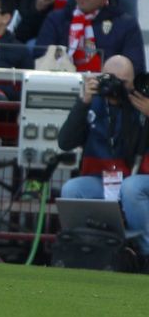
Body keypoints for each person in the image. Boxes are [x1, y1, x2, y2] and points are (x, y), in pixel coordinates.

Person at [56, 55, 149, 256]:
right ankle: (82, 250)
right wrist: (83, 102)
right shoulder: (93, 103)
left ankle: (146, 254)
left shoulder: (142, 102)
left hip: (138, 179)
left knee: (131, 188)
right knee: (72, 189)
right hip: (102, 180)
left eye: (123, 82)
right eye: (111, 79)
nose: (116, 86)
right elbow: (65, 142)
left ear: (133, 82)